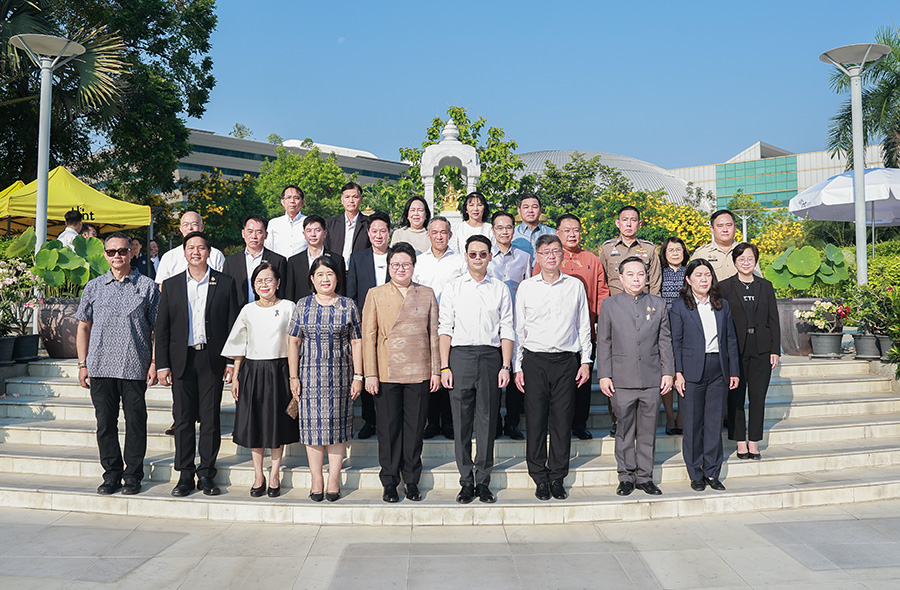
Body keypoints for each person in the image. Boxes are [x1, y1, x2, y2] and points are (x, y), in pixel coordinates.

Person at [156, 231, 239, 497]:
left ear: (208, 252)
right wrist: (162, 364)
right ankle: (185, 474)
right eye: (190, 247)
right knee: (183, 419)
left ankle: (206, 473)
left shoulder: (224, 283)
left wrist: (231, 362)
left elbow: (232, 325)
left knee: (210, 418)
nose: (195, 252)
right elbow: (163, 327)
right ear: (184, 252)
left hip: (212, 359)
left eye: (201, 247)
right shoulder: (171, 285)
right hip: (182, 359)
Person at [75, 233, 159, 495]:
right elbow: (83, 327)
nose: (117, 256)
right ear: (105, 255)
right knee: (105, 424)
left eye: (122, 251)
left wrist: (154, 362)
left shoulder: (147, 286)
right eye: (111, 252)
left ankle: (133, 475)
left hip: (134, 365)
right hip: (100, 365)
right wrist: (82, 364)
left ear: (131, 252)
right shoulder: (94, 287)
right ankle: (111, 474)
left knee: (136, 423)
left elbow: (157, 329)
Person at [514, 234, 592, 501]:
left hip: (566, 361)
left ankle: (557, 476)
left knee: (561, 421)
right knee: (535, 421)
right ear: (537, 256)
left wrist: (585, 361)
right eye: (545, 252)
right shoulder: (526, 287)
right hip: (534, 360)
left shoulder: (574, 286)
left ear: (562, 255)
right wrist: (517, 366)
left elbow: (583, 325)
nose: (551, 256)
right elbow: (519, 329)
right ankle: (539, 476)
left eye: (555, 251)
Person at [362, 242, 440, 503]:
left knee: (415, 429)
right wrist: (370, 373)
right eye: (395, 264)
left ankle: (412, 480)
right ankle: (389, 481)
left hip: (418, 369)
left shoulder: (426, 293)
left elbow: (434, 335)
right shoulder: (375, 294)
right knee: (388, 430)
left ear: (414, 267)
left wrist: (436, 371)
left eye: (406, 264)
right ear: (389, 267)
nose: (401, 269)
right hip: (386, 370)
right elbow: (368, 336)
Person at [439, 235, 514, 504]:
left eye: (483, 254)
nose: (478, 258)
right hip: (460, 356)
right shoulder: (453, 288)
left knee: (487, 419)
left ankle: (483, 480)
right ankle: (465, 481)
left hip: (491, 356)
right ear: (466, 256)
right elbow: (445, 329)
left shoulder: (500, 289)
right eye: (473, 254)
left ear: (490, 256)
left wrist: (506, 365)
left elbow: (507, 328)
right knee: (461, 422)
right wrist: (444, 366)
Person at [597, 256, 674, 496]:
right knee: (624, 430)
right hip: (621, 379)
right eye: (630, 274)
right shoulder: (610, 305)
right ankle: (626, 476)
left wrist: (668, 372)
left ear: (647, 277)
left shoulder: (658, 304)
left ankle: (645, 477)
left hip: (652, 378)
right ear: (620, 278)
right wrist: (604, 375)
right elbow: (604, 342)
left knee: (648, 430)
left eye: (640, 274)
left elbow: (665, 341)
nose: (636, 279)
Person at [288, 256, 363, 502]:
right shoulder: (303, 305)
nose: (325, 279)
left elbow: (357, 342)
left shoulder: (348, 305)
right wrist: (293, 377)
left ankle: (333, 479)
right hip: (309, 376)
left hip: (340, 375)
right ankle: (316, 479)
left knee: (337, 428)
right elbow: (293, 342)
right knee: (312, 429)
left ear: (337, 278)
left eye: (329, 274)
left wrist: (358, 376)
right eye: (320, 275)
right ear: (312, 279)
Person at [221, 262, 299, 498]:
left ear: (278, 282)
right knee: (255, 423)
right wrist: (236, 376)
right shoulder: (248, 310)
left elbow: (296, 342)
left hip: (280, 369)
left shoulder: (289, 307)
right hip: (252, 371)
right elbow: (239, 346)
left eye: (268, 280)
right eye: (259, 281)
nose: (264, 285)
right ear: (253, 285)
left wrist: (294, 376)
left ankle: (274, 474)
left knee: (277, 424)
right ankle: (258, 475)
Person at [533, 214, 609, 440]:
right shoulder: (548, 259)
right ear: (557, 233)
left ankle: (579, 423)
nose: (572, 234)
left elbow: (602, 293)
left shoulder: (591, 259)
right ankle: (555, 424)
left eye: (576, 230)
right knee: (555, 385)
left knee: (582, 381)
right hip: (554, 335)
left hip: (584, 331)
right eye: (567, 230)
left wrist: (600, 324)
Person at [669, 259, 740, 492]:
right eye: (698, 275)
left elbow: (730, 339)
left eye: (707, 275)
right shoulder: (680, 306)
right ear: (688, 280)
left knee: (713, 423)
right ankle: (695, 473)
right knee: (692, 424)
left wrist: (734, 371)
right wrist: (678, 373)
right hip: (691, 371)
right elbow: (675, 342)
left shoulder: (721, 305)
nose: (703, 279)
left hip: (718, 369)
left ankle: (712, 472)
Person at [719, 243, 781, 461]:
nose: (746, 263)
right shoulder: (724, 287)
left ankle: (754, 441)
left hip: (761, 348)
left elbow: (774, 319)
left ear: (756, 261)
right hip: (735, 349)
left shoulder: (766, 286)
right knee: (736, 397)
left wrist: (775, 349)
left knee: (758, 396)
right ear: (735, 262)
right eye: (741, 259)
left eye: (750, 259)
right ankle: (739, 441)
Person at [413, 216, 466, 440]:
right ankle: (432, 421)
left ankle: (449, 421)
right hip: (425, 323)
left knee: (448, 369)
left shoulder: (460, 261)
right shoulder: (419, 262)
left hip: (452, 322)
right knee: (430, 371)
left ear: (450, 235)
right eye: (434, 232)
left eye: (443, 232)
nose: (439, 236)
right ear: (428, 235)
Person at [346, 211, 392, 439]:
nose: (378, 235)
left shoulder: (397, 256)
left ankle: (386, 419)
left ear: (389, 233)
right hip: (365, 325)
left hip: (391, 327)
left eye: (383, 231)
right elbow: (352, 293)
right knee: (365, 370)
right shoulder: (358, 258)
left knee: (387, 373)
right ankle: (369, 420)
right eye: (374, 231)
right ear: (368, 233)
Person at [487, 210, 531, 440]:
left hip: (515, 323)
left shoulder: (524, 257)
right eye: (500, 227)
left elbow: (529, 288)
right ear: (492, 230)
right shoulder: (485, 256)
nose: (504, 231)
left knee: (515, 371)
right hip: (491, 322)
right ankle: (494, 422)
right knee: (493, 372)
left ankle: (512, 422)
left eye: (508, 227)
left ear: (514, 229)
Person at [659, 236, 690, 435]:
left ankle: (681, 417)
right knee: (668, 372)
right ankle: (670, 418)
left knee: (684, 373)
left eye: (678, 249)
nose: (675, 253)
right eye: (671, 250)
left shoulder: (690, 272)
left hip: (687, 329)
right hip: (665, 329)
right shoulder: (660, 274)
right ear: (664, 253)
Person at [223, 214, 287, 308]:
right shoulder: (231, 262)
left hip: (269, 310)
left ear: (265, 235)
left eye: (259, 232)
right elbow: (225, 292)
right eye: (250, 231)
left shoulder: (278, 261)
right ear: (243, 233)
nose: (254, 236)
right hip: (239, 312)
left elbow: (282, 291)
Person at [599, 205, 661, 296]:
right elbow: (601, 282)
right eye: (624, 220)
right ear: (617, 223)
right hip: (615, 301)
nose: (628, 224)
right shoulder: (607, 249)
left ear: (639, 224)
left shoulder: (649, 249)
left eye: (633, 220)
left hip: (642, 301)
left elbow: (655, 283)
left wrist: (654, 303)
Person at [284, 215, 345, 302]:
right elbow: (290, 293)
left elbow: (341, 290)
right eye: (309, 231)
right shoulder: (294, 261)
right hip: (302, 307)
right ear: (304, 234)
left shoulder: (336, 260)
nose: (313, 234)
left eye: (317, 230)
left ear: (325, 233)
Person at [155, 211, 226, 286]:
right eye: (185, 225)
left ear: (202, 228)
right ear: (181, 229)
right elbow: (162, 286)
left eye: (194, 224)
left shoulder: (216, 255)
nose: (190, 228)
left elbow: (223, 283)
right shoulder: (169, 257)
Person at [692, 209, 744, 281]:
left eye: (729, 225)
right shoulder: (701, 254)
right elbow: (693, 281)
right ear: (712, 229)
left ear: (735, 228)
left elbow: (757, 280)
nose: (725, 230)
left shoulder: (746, 251)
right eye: (720, 226)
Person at [324, 181, 370, 260]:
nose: (351, 200)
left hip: (360, 266)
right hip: (335, 266)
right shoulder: (331, 223)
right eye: (347, 197)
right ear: (342, 200)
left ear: (361, 200)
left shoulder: (368, 223)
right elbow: (326, 248)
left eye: (355, 197)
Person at [264, 185, 307, 258]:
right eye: (288, 197)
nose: (292, 201)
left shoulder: (309, 223)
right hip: (278, 264)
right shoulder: (274, 223)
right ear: (282, 202)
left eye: (296, 198)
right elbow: (268, 248)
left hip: (302, 264)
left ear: (302, 202)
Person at [512, 193, 555, 260]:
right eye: (526, 207)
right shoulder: (511, 234)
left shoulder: (553, 233)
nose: (530, 211)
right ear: (519, 211)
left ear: (540, 210)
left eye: (534, 207)